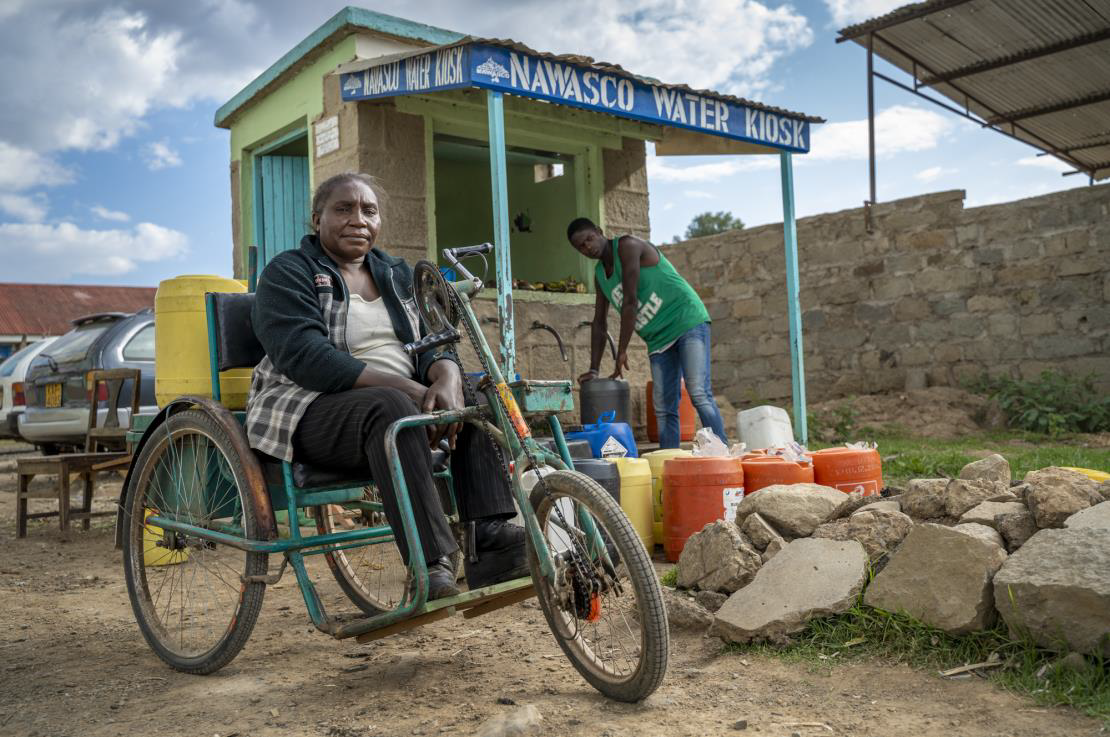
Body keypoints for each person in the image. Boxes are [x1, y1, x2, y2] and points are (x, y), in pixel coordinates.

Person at [247, 172, 527, 601]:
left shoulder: (396, 274)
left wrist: (447, 376)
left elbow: (436, 340)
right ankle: (430, 564)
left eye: (368, 210)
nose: (358, 219)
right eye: (344, 209)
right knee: (391, 405)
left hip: (395, 403)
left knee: (475, 392)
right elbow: (305, 356)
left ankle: (489, 538)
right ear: (317, 218)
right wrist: (407, 389)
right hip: (309, 407)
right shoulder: (289, 272)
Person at [567, 218, 727, 448]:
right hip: (658, 339)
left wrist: (621, 351)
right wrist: (593, 368)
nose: (588, 247)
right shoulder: (601, 275)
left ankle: (723, 453)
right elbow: (599, 323)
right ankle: (668, 462)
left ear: (599, 232)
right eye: (580, 247)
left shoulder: (627, 246)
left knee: (699, 392)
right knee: (663, 407)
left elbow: (630, 302)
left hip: (685, 320)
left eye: (589, 239)